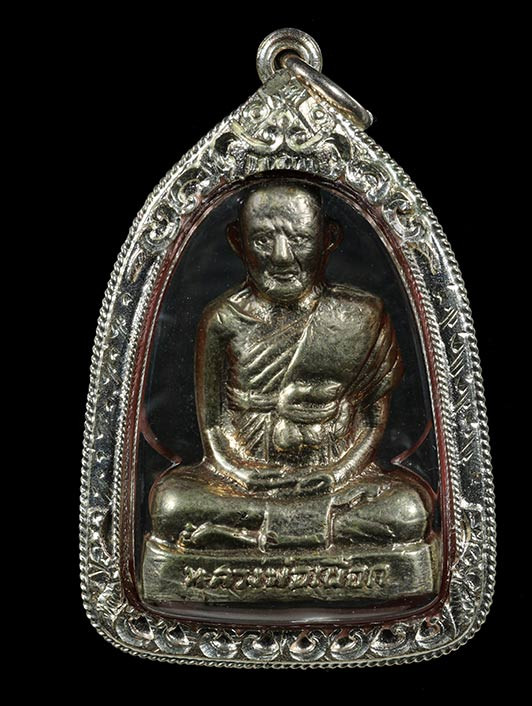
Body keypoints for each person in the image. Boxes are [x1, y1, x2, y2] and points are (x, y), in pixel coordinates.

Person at [147, 181, 433, 553]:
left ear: (328, 238)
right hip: (247, 485)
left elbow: (371, 420)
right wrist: (242, 474)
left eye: (298, 239)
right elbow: (214, 427)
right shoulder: (222, 320)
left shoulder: (361, 316)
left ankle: (250, 535)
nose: (281, 257)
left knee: (408, 509)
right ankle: (307, 531)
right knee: (170, 503)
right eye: (263, 240)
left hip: (335, 482)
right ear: (237, 241)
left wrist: (337, 474)